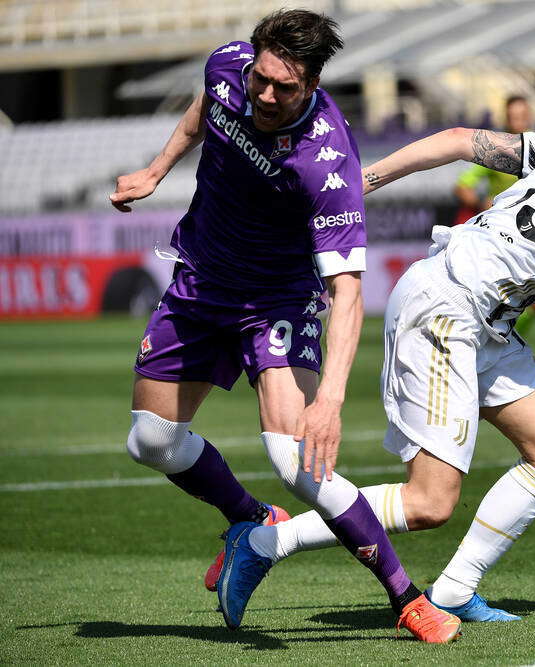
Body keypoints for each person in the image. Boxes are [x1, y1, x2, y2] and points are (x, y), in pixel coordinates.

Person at [227, 123, 535, 622]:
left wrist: (363, 183)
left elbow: (457, 142)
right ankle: (266, 542)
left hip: (479, 311)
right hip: (448, 311)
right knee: (429, 503)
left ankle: (452, 590)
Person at [109, 9, 459, 643]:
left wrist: (330, 399)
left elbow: (347, 294)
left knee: (298, 460)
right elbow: (203, 110)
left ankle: (407, 597)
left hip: (276, 299)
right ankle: (250, 518)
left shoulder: (328, 163)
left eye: (285, 88)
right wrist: (157, 170)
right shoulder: (228, 68)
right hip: (199, 281)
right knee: (150, 442)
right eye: (261, 80)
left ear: (314, 82)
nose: (266, 96)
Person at [454, 96, 535, 334]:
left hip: (534, 233)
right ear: (505, 118)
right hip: (502, 233)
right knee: (526, 300)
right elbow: (462, 186)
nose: (517, 121)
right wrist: (480, 202)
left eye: (521, 116)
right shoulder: (497, 147)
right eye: (512, 116)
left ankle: (504, 338)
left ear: (529, 117)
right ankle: (497, 338)